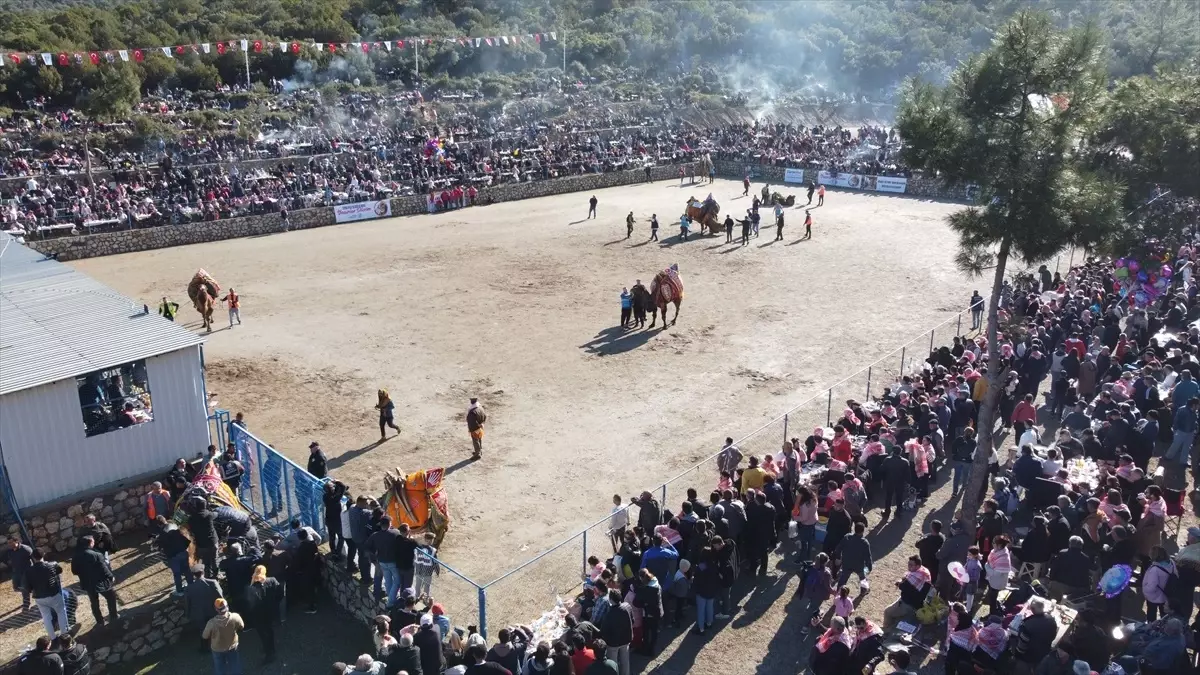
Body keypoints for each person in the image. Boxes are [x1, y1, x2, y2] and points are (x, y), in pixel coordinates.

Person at [26, 548, 70, 641]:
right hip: (53, 594)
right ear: (44, 555)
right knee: (61, 612)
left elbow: (27, 587)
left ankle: (52, 637)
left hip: (39, 597)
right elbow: (60, 570)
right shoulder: (51, 565)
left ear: (33, 558)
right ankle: (64, 633)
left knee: (46, 617)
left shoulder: (28, 571)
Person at [245, 566, 282, 663]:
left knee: (262, 633)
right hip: (270, 611)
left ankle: (268, 652)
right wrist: (275, 603)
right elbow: (280, 593)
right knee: (269, 630)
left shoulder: (251, 588)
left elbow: (250, 603)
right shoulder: (272, 581)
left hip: (258, 615)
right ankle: (271, 648)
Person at [881, 556, 930, 631]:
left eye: (911, 565)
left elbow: (903, 586)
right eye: (908, 564)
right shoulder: (924, 573)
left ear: (918, 566)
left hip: (908, 604)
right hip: (917, 604)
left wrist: (899, 583)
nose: (909, 567)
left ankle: (886, 631)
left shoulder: (914, 578)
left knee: (887, 612)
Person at [186, 564, 224, 652]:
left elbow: (188, 603)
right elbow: (220, 596)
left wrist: (188, 614)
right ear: (203, 572)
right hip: (213, 611)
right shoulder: (212, 582)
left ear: (194, 575)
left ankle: (205, 648)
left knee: (203, 631)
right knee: (216, 628)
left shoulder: (189, 588)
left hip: (199, 613)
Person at [202, 598, 244, 675]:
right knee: (235, 665)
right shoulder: (235, 617)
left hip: (217, 648)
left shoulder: (211, 623)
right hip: (232, 646)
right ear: (227, 606)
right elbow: (242, 626)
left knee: (220, 668)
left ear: (216, 609)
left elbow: (205, 636)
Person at [598, 589, 632, 675]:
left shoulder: (609, 614)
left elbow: (603, 631)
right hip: (626, 639)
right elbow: (633, 621)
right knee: (625, 661)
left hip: (613, 644)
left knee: (614, 664)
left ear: (611, 599)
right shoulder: (627, 606)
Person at [290, 529, 322, 614]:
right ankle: (317, 600)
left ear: (299, 538)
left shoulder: (301, 548)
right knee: (315, 585)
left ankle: (312, 607)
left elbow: (298, 562)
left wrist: (297, 570)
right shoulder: (312, 543)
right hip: (315, 568)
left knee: (309, 589)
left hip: (307, 571)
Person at [3, 537, 33, 610]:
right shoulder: (9, 551)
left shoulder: (26, 549)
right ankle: (30, 589)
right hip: (16, 572)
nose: (9, 544)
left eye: (11, 542)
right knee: (16, 588)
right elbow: (8, 560)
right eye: (8, 543)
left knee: (24, 588)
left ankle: (26, 604)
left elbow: (34, 559)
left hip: (25, 572)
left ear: (16, 541)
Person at [950, 427, 977, 494]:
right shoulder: (973, 442)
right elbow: (973, 452)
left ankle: (955, 492)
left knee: (957, 476)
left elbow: (953, 447)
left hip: (958, 460)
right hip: (967, 461)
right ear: (972, 434)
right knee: (966, 474)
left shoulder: (959, 439)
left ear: (964, 432)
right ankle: (964, 487)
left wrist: (955, 454)